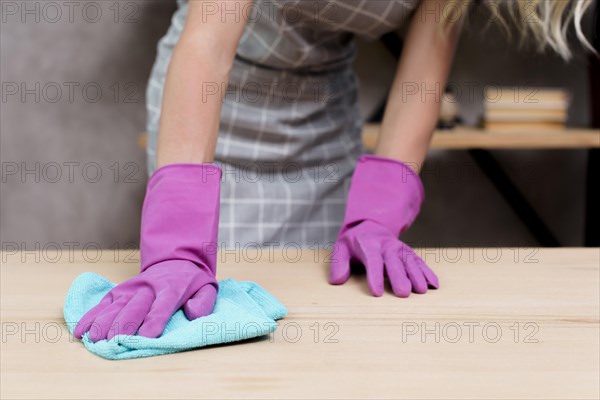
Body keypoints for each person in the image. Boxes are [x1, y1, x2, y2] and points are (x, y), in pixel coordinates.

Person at [75, 0, 595, 342]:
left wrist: (380, 212)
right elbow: (208, 46)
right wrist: (178, 242)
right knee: (205, 329)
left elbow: (424, 68)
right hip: (213, 113)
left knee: (315, 327)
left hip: (325, 123)